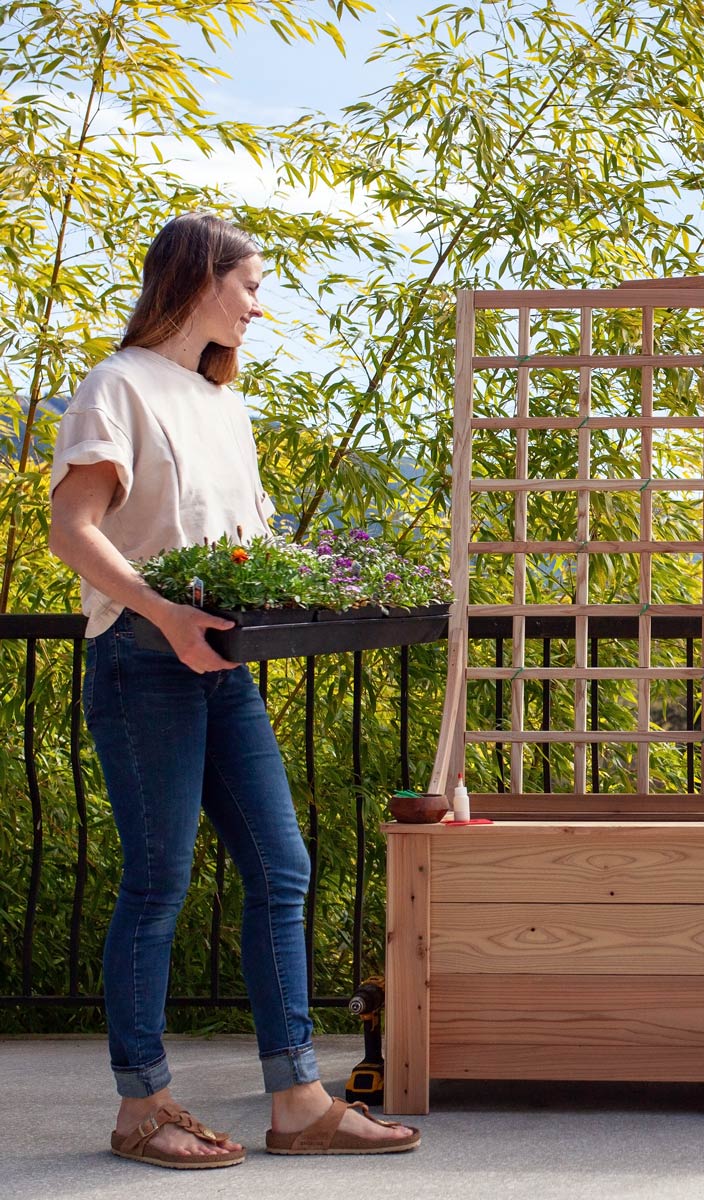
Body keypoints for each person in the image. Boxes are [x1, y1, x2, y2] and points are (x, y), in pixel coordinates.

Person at [48, 212, 419, 1168]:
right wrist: (166, 614)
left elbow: (249, 551)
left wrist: (354, 594)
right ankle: (143, 1108)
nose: (258, 305)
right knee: (159, 882)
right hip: (144, 659)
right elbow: (74, 530)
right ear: (198, 278)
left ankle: (297, 1100)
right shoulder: (117, 386)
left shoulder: (223, 402)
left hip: (224, 669)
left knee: (281, 868)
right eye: (249, 284)